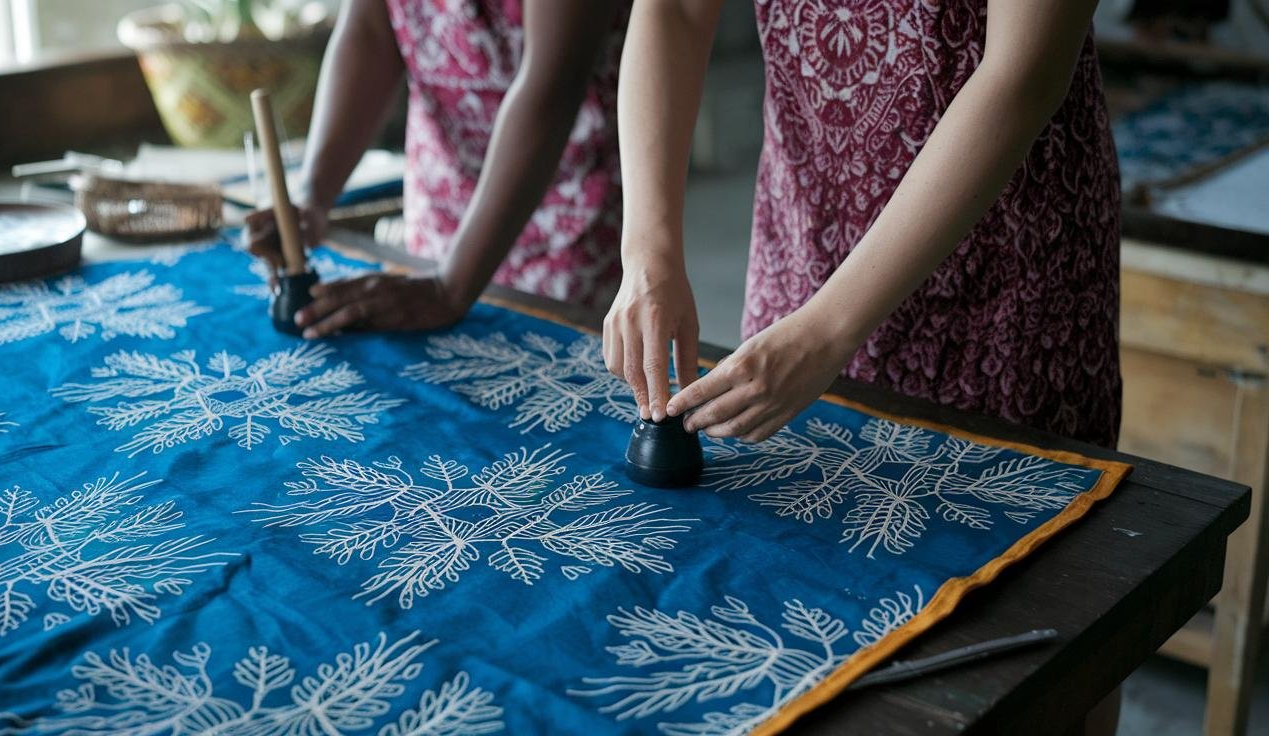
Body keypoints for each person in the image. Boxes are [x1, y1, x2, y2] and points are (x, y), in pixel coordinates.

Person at [604, 1, 1122, 731]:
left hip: (1007, 271)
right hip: (806, 238)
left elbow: (1025, 68)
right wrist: (647, 251)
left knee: (1032, 630)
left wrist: (829, 330)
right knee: (796, 610)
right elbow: (678, 10)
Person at [247, 0, 627, 336]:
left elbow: (553, 85)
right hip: (442, 198)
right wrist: (314, 195)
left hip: (566, 211)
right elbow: (369, 33)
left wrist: (450, 287)